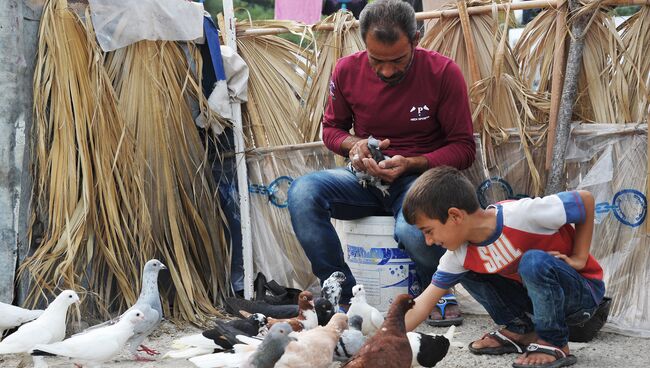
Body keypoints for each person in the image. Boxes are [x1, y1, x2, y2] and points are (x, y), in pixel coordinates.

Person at [287, 0, 475, 325]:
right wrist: (355, 146)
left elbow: (463, 148)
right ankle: (342, 296)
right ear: (364, 45)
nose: (387, 71)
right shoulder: (346, 70)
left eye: (398, 60)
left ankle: (438, 289)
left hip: (420, 179)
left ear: (416, 39)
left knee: (414, 231)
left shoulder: (443, 73)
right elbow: (331, 129)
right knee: (302, 193)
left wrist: (413, 162)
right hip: (364, 179)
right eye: (377, 61)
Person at [402, 166, 606, 368]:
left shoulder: (521, 215)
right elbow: (423, 303)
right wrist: (383, 340)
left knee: (532, 261)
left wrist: (580, 257)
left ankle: (553, 341)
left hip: (580, 297)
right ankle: (521, 329)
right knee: (465, 270)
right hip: (538, 304)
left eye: (428, 231)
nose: (428, 241)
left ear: (455, 216)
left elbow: (584, 200)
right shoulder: (459, 254)